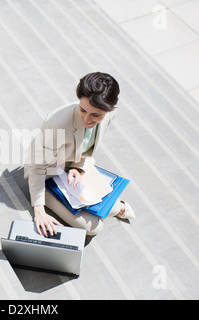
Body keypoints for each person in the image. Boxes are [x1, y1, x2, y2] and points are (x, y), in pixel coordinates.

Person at [24, 72, 134, 245]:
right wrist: (39, 211)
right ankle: (114, 205)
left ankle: (114, 206)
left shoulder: (110, 115)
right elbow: (36, 167)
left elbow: (86, 147)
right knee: (95, 227)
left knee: (110, 208)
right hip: (48, 175)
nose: (87, 119)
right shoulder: (56, 124)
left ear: (109, 110)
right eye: (82, 110)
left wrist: (77, 167)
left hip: (72, 167)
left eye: (95, 115)